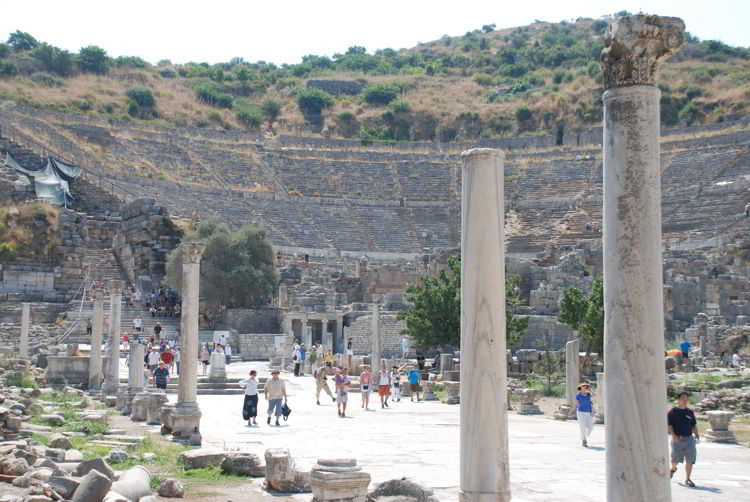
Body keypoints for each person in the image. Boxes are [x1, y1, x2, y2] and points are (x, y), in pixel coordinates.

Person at [668, 391, 699, 487]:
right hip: (677, 439)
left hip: (689, 439)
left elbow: (693, 425)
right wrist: (673, 435)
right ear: (678, 399)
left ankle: (688, 478)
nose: (685, 400)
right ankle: (673, 469)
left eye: (686, 398)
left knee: (690, 459)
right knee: (675, 460)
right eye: (682, 398)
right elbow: (669, 425)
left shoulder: (690, 412)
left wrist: (697, 434)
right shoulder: (672, 411)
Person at [574, 382, 594, 447]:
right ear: (580, 388)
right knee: (582, 427)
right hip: (580, 412)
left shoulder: (588, 394)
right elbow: (575, 403)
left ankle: (585, 435)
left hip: (589, 412)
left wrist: (590, 390)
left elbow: (595, 394)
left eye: (585, 386)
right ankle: (583, 440)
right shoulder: (578, 395)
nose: (584, 387)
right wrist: (570, 411)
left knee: (590, 427)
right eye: (583, 386)